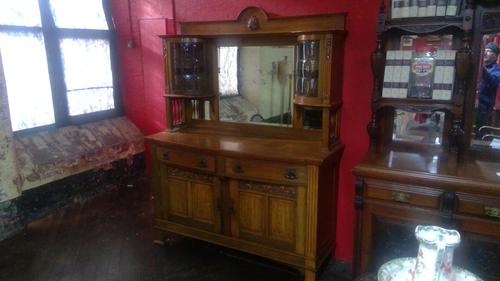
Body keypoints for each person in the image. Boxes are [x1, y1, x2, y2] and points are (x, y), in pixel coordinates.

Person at [475, 42, 500, 139]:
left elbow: (494, 82)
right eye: (484, 51)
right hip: (470, 106)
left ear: (496, 55)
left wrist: (482, 68)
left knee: (480, 132)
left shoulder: (498, 69)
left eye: (489, 51)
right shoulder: (477, 67)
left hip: (484, 108)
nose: (485, 53)